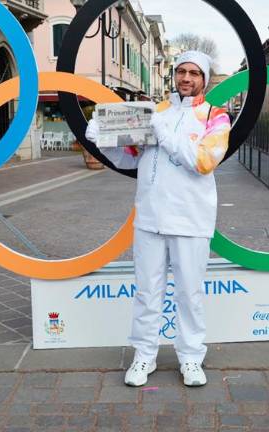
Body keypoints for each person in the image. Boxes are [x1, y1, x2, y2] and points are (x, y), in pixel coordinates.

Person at [85, 51, 231, 387]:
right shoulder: (154, 112)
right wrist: (102, 139)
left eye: (194, 73)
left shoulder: (216, 116)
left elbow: (204, 160)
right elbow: (130, 159)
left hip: (191, 220)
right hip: (150, 217)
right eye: (181, 71)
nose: (186, 78)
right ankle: (144, 356)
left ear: (204, 79)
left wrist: (162, 133)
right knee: (147, 291)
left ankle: (192, 358)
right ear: (174, 75)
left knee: (190, 293)